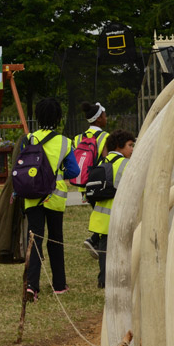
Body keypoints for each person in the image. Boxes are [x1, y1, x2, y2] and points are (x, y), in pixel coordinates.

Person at [20, 98, 80, 301]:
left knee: (34, 239)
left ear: (37, 116)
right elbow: (74, 171)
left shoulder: (28, 139)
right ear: (58, 118)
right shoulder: (64, 142)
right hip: (55, 197)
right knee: (55, 239)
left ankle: (32, 286)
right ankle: (59, 285)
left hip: (32, 197)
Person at [86, 130, 135, 289]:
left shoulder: (102, 163)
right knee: (123, 250)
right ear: (119, 146)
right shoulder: (126, 164)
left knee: (104, 251)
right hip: (120, 215)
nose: (132, 149)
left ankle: (103, 280)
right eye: (130, 145)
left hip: (102, 218)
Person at [76, 101, 110, 259]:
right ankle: (95, 240)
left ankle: (96, 240)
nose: (106, 118)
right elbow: (107, 161)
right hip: (99, 185)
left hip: (83, 186)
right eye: (104, 115)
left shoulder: (78, 138)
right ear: (98, 119)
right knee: (106, 213)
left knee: (99, 212)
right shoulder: (105, 137)